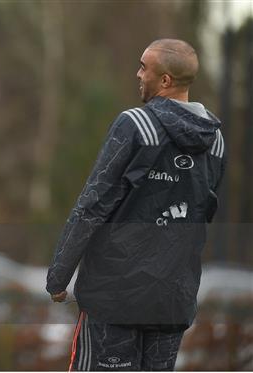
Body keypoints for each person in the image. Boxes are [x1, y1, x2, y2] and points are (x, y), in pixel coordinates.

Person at [46, 39, 226, 371]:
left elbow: (93, 205)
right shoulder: (215, 141)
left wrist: (59, 277)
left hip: (114, 299)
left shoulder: (135, 125)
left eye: (145, 67)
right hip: (172, 303)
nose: (138, 74)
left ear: (166, 81)